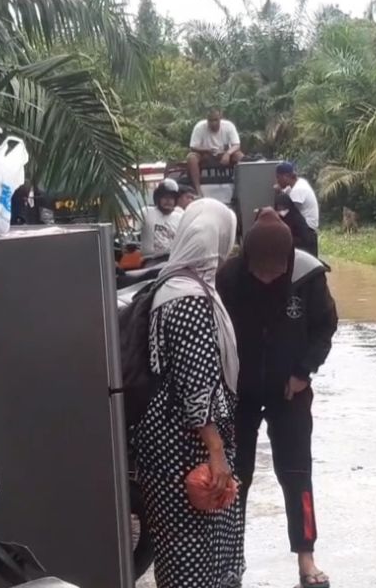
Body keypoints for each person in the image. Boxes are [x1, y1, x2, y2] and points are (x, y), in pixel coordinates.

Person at [217, 209, 338, 588]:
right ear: (247, 260)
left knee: (296, 472)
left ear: (287, 262)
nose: (268, 277)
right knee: (236, 476)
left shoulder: (308, 276)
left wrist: (304, 371)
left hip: (291, 391)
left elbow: (325, 327)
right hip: (241, 392)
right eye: (261, 271)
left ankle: (306, 556)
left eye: (275, 271)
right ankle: (230, 557)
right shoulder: (228, 277)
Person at [132, 199, 244, 588]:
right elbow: (197, 387)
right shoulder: (191, 298)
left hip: (166, 444)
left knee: (180, 553)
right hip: (187, 447)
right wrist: (216, 452)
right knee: (196, 557)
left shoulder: (170, 283)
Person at [188, 109, 243, 194]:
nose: (213, 123)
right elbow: (193, 147)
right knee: (191, 158)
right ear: (207, 120)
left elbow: (236, 145)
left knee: (240, 156)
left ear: (220, 118)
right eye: (210, 120)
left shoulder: (228, 126)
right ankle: (198, 190)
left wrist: (228, 153)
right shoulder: (199, 127)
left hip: (224, 154)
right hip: (206, 155)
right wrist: (206, 150)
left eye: (216, 120)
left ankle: (241, 189)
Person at [140, 179, 184, 258]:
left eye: (171, 198)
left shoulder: (180, 217)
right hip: (150, 260)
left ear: (175, 200)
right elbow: (130, 231)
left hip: (173, 260)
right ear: (158, 198)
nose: (168, 201)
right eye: (164, 197)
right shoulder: (146, 212)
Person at [274, 162, 320, 234]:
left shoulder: (298, 189)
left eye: (278, 177)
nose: (277, 181)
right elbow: (287, 193)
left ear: (285, 176)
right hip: (305, 226)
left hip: (307, 229)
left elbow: (287, 212)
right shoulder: (299, 182)